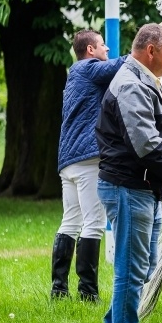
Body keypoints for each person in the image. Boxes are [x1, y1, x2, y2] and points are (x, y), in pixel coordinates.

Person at [96, 23, 162, 323]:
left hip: (143, 188)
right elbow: (145, 143)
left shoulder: (141, 79)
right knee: (131, 269)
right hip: (129, 188)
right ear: (151, 51)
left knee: (145, 265)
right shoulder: (131, 85)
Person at [52, 30, 126, 301]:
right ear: (91, 50)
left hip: (68, 160)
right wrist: (148, 48)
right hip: (87, 160)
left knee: (70, 221)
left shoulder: (74, 74)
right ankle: (88, 293)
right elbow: (121, 65)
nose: (107, 49)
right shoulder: (90, 67)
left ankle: (59, 290)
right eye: (102, 45)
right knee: (93, 223)